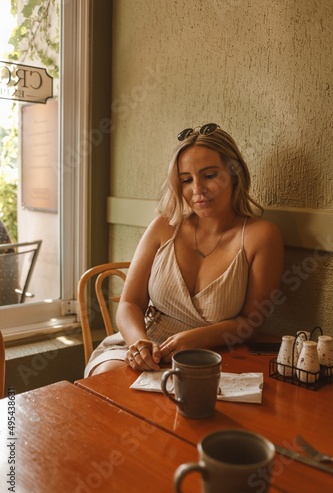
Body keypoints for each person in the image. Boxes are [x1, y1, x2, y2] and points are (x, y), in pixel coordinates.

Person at [84, 123, 284, 377]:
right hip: (141, 345)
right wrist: (138, 343)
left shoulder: (261, 236)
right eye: (186, 180)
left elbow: (250, 322)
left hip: (212, 353)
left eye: (210, 175)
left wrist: (192, 340)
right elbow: (130, 303)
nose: (197, 189)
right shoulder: (164, 226)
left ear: (234, 174)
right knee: (111, 381)